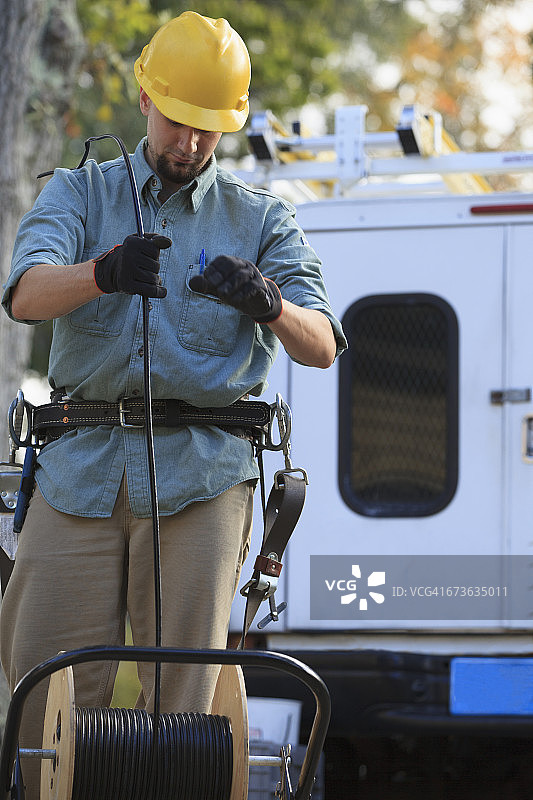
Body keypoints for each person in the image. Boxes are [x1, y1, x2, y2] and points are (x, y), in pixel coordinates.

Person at [1, 10, 346, 797]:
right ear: (146, 97)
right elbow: (23, 295)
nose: (189, 143)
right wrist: (104, 271)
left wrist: (269, 304)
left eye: (208, 129)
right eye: (178, 121)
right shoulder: (77, 192)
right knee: (41, 693)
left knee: (181, 708)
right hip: (76, 468)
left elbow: (321, 343)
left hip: (202, 478)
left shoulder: (261, 217)